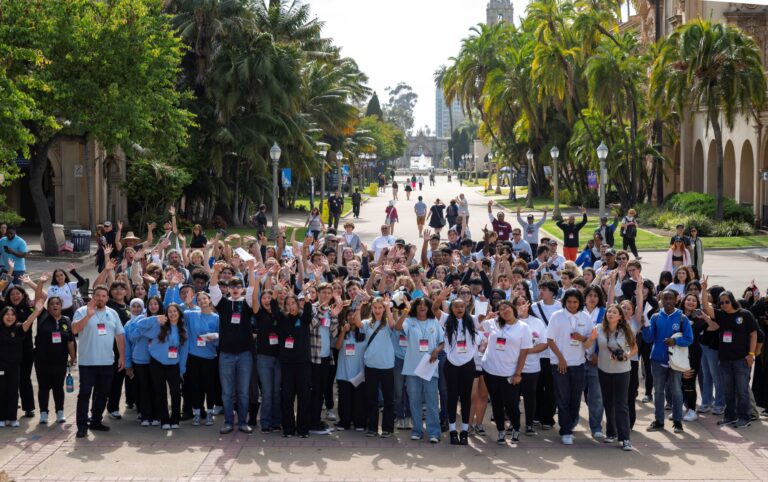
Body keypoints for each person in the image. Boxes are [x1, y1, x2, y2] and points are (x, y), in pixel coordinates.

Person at [71, 286, 127, 438]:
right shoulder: (82, 311)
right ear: (93, 297)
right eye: (98, 296)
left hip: (107, 362)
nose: (101, 298)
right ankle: (81, 426)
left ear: (107, 298)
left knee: (103, 394)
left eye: (103, 296)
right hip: (87, 362)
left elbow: (120, 336)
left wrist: (122, 356)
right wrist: (88, 316)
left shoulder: (113, 313)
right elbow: (75, 330)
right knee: (84, 394)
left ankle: (96, 421)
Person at [210, 260, 258, 434]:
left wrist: (251, 269)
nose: (236, 289)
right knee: (227, 392)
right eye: (232, 286)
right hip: (226, 355)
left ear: (242, 289)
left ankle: (243, 422)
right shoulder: (222, 304)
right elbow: (214, 288)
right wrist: (215, 271)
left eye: (238, 286)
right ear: (228, 289)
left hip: (245, 354)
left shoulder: (247, 303)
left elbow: (252, 290)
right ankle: (229, 422)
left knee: (243, 392)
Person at [546, 289, 598, 445]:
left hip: (579, 365)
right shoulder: (557, 316)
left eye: (575, 302)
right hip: (560, 365)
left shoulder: (585, 317)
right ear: (564, 302)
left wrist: (583, 338)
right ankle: (565, 431)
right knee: (563, 399)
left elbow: (589, 342)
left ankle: (569, 423)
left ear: (580, 302)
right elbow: (550, 340)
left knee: (575, 399)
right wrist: (561, 359)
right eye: (569, 301)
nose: (572, 305)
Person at [702, 289, 758, 428]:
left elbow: (754, 334)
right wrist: (704, 289)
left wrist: (751, 354)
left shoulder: (745, 314)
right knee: (728, 391)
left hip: (741, 360)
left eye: (727, 301)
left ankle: (745, 417)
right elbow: (706, 307)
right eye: (721, 303)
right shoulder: (721, 315)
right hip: (725, 360)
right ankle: (730, 416)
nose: (724, 305)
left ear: (732, 300)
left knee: (742, 390)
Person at [642, 289, 693, 433]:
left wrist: (675, 341)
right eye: (665, 299)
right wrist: (645, 327)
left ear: (676, 299)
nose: (668, 301)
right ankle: (659, 421)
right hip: (657, 360)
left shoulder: (682, 318)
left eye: (671, 298)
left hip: (675, 361)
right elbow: (649, 338)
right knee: (658, 391)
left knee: (676, 391)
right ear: (661, 300)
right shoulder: (656, 317)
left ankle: (677, 421)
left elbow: (689, 339)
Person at [482, 300, 532, 445]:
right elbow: (479, 327)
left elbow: (524, 352)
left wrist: (518, 373)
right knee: (496, 403)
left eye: (507, 307)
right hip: (490, 370)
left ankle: (515, 428)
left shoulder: (523, 327)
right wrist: (487, 316)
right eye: (501, 309)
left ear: (513, 308)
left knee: (511, 403)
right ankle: (500, 431)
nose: (505, 311)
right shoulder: (494, 323)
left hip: (509, 372)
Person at [396, 297, 444, 443]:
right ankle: (417, 430)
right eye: (419, 305)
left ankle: (434, 432)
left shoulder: (434, 322)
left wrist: (436, 350)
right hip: (412, 369)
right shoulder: (409, 321)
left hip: (429, 367)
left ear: (429, 307)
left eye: (425, 305)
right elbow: (397, 328)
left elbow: (442, 342)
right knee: (414, 401)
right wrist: (405, 311)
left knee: (431, 401)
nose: (422, 307)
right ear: (415, 307)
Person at [438, 293, 484, 445]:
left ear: (466, 308)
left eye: (462, 306)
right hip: (451, 365)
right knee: (451, 397)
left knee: (466, 398)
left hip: (468, 365)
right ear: (451, 308)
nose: (459, 308)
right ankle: (452, 431)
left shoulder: (471, 320)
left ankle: (464, 431)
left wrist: (482, 305)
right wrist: (439, 298)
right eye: (456, 306)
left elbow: (482, 316)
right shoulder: (446, 319)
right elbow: (433, 309)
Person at [135, 304, 189, 429]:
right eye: (170, 312)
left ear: (179, 313)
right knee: (160, 392)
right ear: (166, 314)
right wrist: (154, 319)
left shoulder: (183, 329)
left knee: (175, 392)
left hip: (174, 365)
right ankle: (164, 420)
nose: (172, 314)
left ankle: (175, 419)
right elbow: (140, 326)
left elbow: (184, 351)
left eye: (175, 311)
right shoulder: (159, 326)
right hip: (157, 363)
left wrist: (182, 369)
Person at [596, 302, 638, 451]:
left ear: (620, 316)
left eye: (614, 312)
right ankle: (611, 432)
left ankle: (625, 438)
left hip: (622, 371)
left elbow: (634, 349)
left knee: (621, 404)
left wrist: (625, 357)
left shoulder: (626, 330)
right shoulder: (598, 329)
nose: (610, 314)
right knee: (608, 402)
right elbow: (588, 344)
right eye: (609, 311)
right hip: (603, 369)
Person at [34, 296, 77, 425]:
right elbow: (38, 299)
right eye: (52, 304)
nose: (55, 306)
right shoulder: (42, 317)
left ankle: (60, 412)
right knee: (44, 388)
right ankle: (43, 414)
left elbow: (70, 340)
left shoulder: (67, 320)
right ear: (48, 307)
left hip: (60, 361)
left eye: (58, 303)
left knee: (58, 388)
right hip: (42, 361)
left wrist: (73, 357)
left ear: (61, 306)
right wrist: (40, 283)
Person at [308, 283, 343, 435]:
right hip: (313, 358)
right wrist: (322, 311)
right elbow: (310, 326)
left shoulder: (330, 310)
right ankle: (312, 422)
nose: (326, 295)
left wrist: (334, 316)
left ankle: (316, 419)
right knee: (314, 391)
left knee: (321, 390)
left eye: (329, 293)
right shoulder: (312, 308)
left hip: (326, 357)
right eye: (324, 292)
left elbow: (334, 334)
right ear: (318, 293)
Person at [183, 292, 220, 427]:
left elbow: (221, 336)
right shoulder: (191, 314)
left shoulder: (216, 318)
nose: (202, 301)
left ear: (210, 300)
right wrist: (187, 303)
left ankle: (210, 413)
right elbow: (175, 312)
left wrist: (215, 336)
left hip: (210, 357)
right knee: (195, 387)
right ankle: (197, 413)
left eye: (204, 298)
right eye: (199, 299)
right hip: (193, 357)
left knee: (209, 387)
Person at [362, 296, 396, 437]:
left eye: (380, 307)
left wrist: (388, 308)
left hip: (387, 366)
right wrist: (358, 308)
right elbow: (358, 323)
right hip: (370, 366)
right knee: (372, 398)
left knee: (388, 399)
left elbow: (394, 325)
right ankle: (372, 427)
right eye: (375, 307)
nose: (377, 310)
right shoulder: (367, 323)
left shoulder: (388, 323)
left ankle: (387, 428)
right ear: (371, 309)